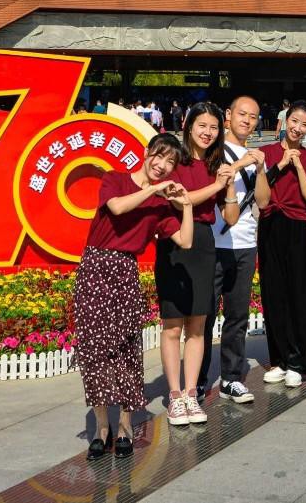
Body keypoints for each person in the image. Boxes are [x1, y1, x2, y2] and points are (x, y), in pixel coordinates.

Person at [75, 133, 194, 460]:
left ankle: (125, 424)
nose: (163, 166)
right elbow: (116, 207)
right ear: (146, 153)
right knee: (95, 348)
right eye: (160, 156)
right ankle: (101, 427)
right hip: (96, 265)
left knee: (128, 348)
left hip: (125, 270)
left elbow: (184, 240)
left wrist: (184, 206)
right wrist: (156, 189)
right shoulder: (115, 179)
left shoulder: (160, 204)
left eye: (171, 162)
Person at [157, 103, 237, 427]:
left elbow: (229, 217)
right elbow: (181, 198)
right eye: (202, 125)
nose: (208, 132)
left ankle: (192, 393)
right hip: (175, 240)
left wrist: (229, 186)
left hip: (204, 242)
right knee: (173, 325)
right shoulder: (173, 158)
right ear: (189, 125)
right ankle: (174, 396)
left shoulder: (218, 163)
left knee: (197, 325)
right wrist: (217, 186)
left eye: (214, 127)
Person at [199, 96, 268, 405]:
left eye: (253, 117)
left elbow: (263, 201)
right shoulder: (213, 150)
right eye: (242, 114)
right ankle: (197, 381)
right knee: (205, 315)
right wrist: (243, 164)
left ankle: (231, 377)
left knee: (238, 315)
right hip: (215, 243)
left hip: (246, 244)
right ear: (228, 115)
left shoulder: (256, 155)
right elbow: (218, 180)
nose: (247, 121)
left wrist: (262, 167)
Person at [257, 103, 306, 387]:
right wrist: (281, 163)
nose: (298, 128)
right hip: (270, 223)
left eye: (304, 125)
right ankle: (278, 360)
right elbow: (260, 191)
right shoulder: (267, 153)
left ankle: (298, 361)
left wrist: (297, 165)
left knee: (298, 293)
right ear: (286, 120)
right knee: (272, 293)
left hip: (297, 225)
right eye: (294, 121)